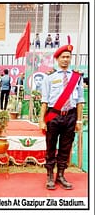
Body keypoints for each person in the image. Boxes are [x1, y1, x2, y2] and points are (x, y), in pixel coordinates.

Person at [39, 44, 84, 190]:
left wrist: (78, 120)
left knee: (66, 147)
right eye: (63, 57)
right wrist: (41, 120)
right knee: (51, 145)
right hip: (53, 115)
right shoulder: (49, 77)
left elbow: (80, 101)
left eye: (68, 57)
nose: (65, 59)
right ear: (57, 59)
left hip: (70, 116)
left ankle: (61, 175)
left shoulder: (77, 77)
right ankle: (50, 175)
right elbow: (44, 100)